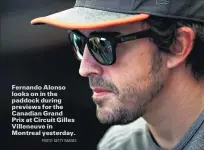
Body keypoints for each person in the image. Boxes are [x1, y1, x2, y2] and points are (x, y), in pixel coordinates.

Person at [31, 0, 204, 149]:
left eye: (103, 45)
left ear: (177, 46)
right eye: (79, 41)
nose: (84, 69)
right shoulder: (117, 145)